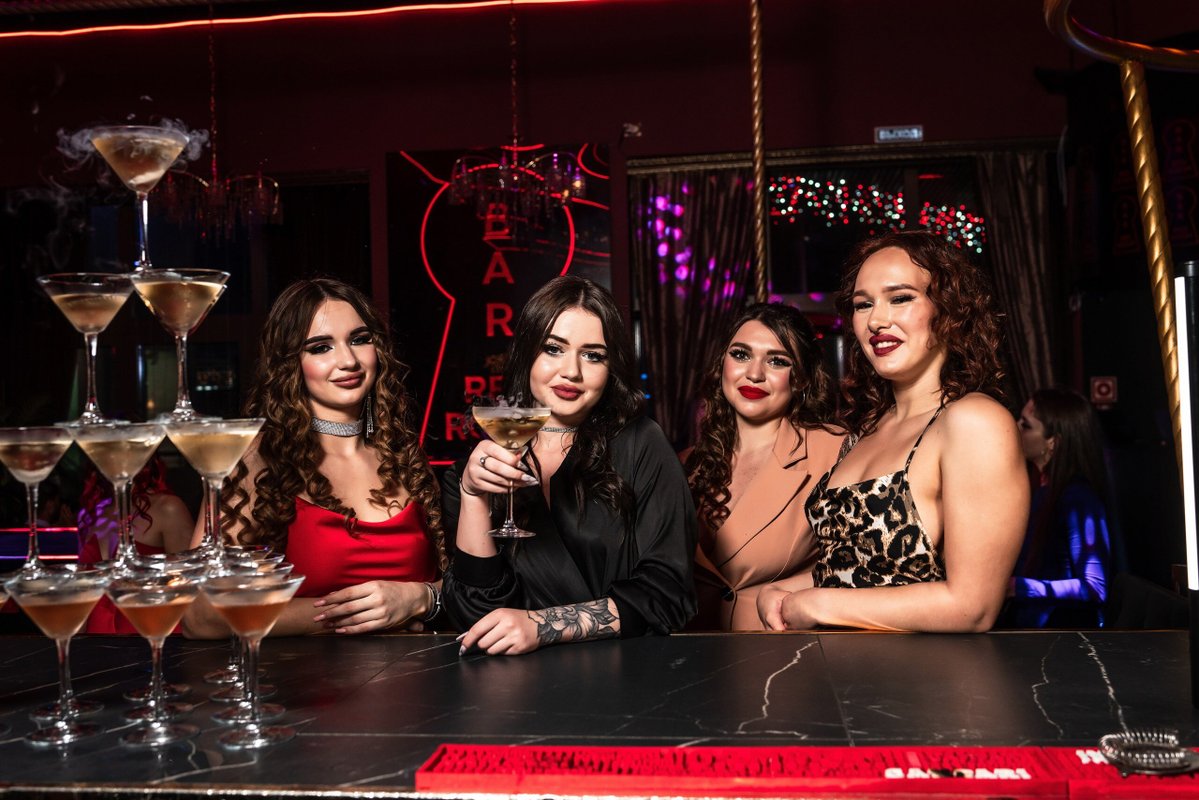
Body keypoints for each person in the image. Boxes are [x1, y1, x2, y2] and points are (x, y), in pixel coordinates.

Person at [758, 230, 1029, 632]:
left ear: (949, 308)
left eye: (900, 298)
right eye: (863, 304)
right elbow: (861, 570)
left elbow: (973, 606)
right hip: (835, 666)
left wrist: (818, 604)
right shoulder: (868, 427)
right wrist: (782, 591)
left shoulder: (973, 421)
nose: (876, 320)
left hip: (920, 672)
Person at [444, 275, 697, 655]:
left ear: (612, 368)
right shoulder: (473, 470)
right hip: (515, 682)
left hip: (626, 674)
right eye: (553, 349)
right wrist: (472, 496)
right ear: (526, 352)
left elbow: (668, 593)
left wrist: (543, 626)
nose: (572, 371)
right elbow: (475, 615)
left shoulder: (641, 444)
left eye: (593, 355)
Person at [181, 277, 446, 638]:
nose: (348, 360)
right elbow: (199, 615)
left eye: (360, 339)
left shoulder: (403, 454)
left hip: (423, 671)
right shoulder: (259, 458)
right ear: (290, 363)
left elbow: (464, 587)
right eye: (321, 348)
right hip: (311, 673)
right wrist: (351, 615)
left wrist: (420, 597)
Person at [684, 303, 844, 630]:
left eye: (777, 361)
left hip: (781, 648)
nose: (754, 373)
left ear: (801, 379)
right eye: (741, 355)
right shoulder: (684, 463)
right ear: (722, 364)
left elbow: (865, 565)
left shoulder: (835, 450)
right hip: (689, 648)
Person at [1004, 388, 1112, 627]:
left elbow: (1095, 587)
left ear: (1053, 442)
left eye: (1026, 425)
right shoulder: (1038, 488)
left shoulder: (1078, 498)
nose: (1015, 427)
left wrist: (1017, 587)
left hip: (1060, 637)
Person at [77, 456, 194, 634]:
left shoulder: (167, 507)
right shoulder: (91, 513)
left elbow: (189, 588)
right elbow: (82, 593)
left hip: (148, 632)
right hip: (95, 637)